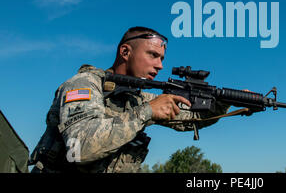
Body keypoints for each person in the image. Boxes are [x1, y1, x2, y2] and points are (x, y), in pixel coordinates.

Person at [29, 26, 230, 173]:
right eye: (153, 55)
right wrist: (147, 112)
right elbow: (79, 148)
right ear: (125, 52)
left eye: (161, 58)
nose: (159, 66)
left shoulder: (136, 97)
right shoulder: (85, 84)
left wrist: (227, 103)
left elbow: (192, 119)